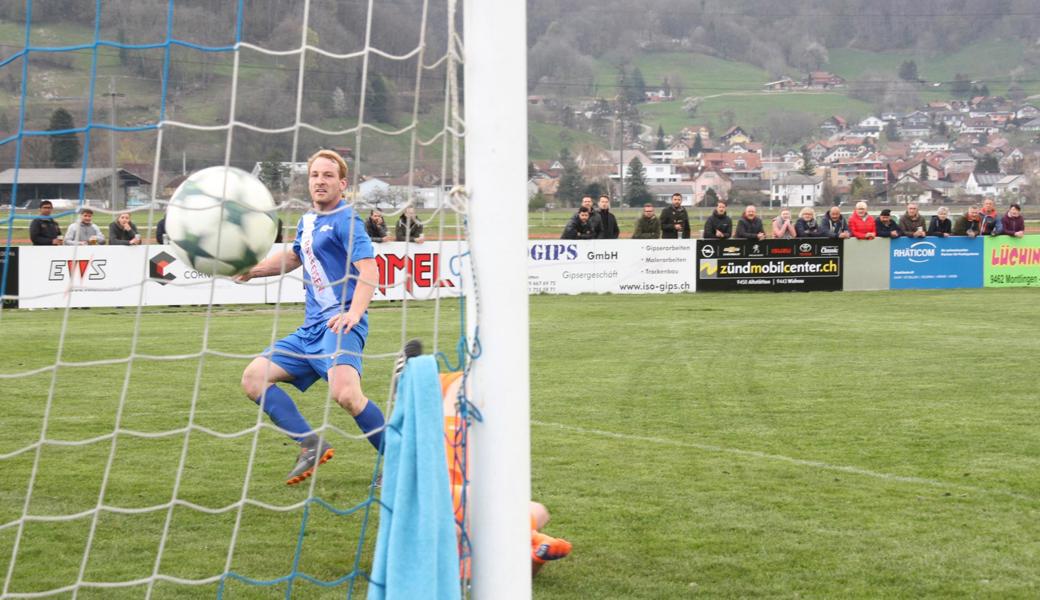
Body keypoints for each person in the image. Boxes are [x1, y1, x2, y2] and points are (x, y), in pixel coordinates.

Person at [236, 149, 386, 486]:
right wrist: (252, 271)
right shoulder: (307, 221)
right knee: (253, 378)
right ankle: (310, 443)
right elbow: (292, 258)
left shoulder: (347, 221)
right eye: (315, 175)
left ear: (342, 184)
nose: (320, 181)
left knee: (346, 394)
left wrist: (354, 313)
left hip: (339, 324)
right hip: (310, 331)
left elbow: (369, 269)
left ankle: (400, 462)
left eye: (328, 176)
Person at [440, 371, 570, 577]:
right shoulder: (449, 390)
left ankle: (535, 550)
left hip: (460, 501)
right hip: (449, 497)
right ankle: (536, 543)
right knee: (511, 512)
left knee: (535, 510)